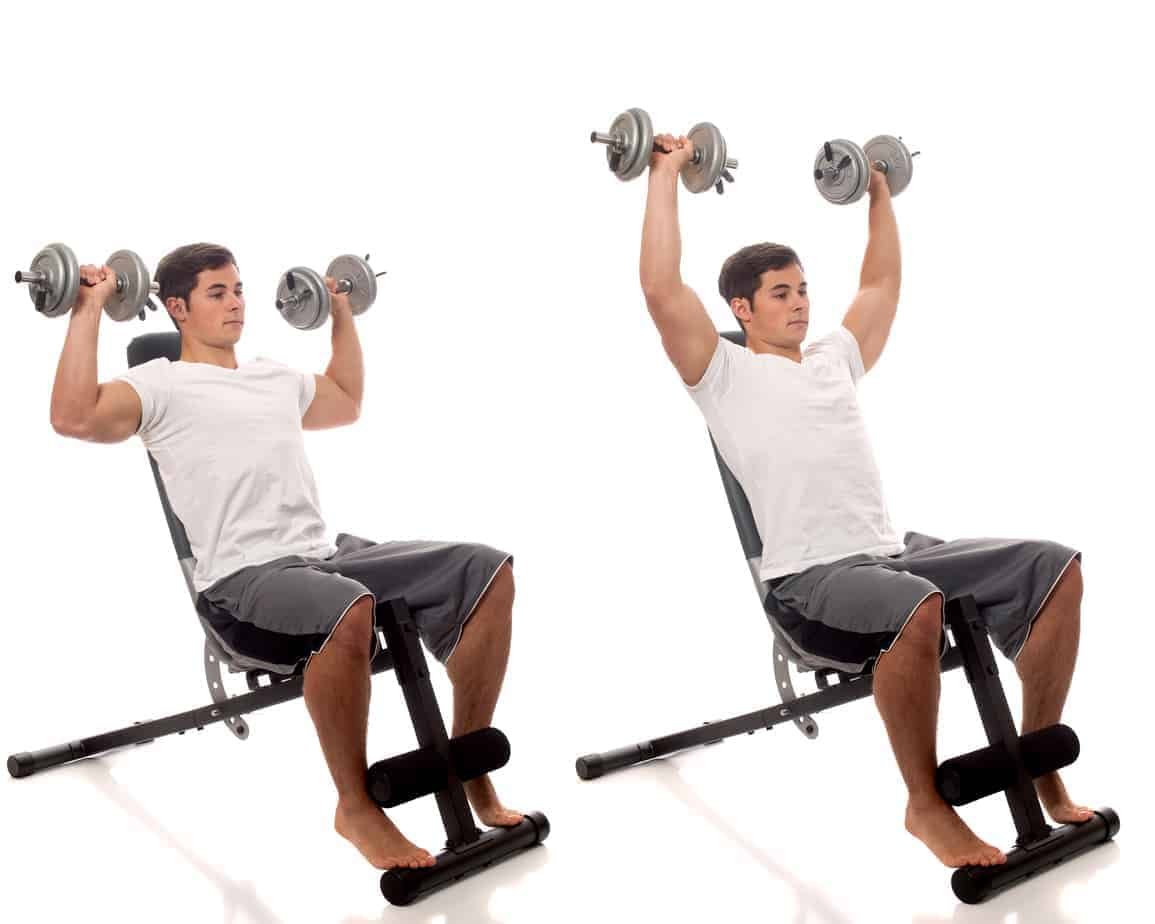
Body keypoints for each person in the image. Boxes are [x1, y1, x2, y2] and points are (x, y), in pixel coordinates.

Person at [636, 135, 1093, 868]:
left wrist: (878, 195)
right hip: (810, 579)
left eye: (803, 289)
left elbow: (879, 285)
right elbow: (661, 289)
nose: (799, 304)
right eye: (780, 294)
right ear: (741, 309)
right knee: (914, 608)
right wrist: (661, 174)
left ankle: (1037, 759)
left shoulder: (830, 360)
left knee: (1054, 566)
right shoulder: (719, 372)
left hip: (894, 554)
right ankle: (925, 804)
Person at [48, 243, 522, 870]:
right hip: (243, 583)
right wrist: (86, 309)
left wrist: (343, 315)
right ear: (176, 308)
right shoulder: (155, 385)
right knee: (346, 607)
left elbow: (347, 400)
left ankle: (467, 768)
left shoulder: (272, 376)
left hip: (325, 558)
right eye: (218, 293)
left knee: (485, 570)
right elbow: (73, 415)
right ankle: (355, 806)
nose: (237, 301)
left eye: (239, 288)